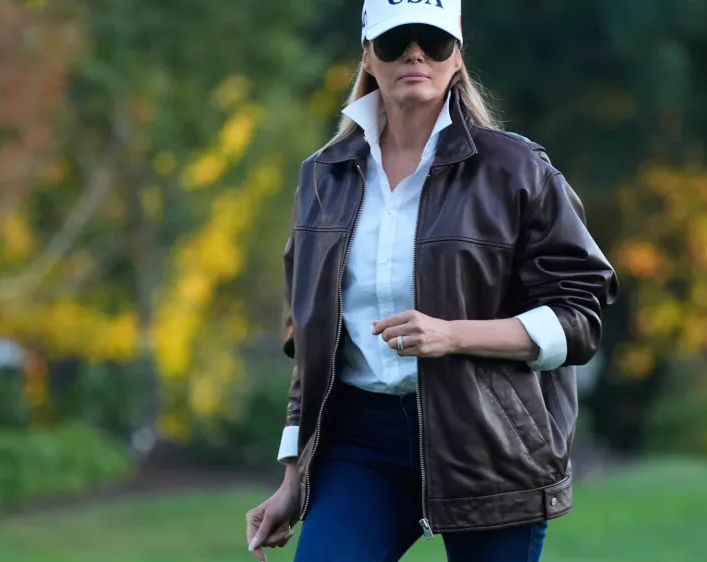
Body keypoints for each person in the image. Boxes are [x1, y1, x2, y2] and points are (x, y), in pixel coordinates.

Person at [245, 0, 619, 560]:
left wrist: (453, 335)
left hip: (489, 445)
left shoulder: (518, 170)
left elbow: (579, 319)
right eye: (396, 42)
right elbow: (311, 341)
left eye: (433, 41)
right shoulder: (322, 176)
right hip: (361, 446)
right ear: (369, 57)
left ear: (456, 58)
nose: (414, 54)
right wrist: (294, 477)